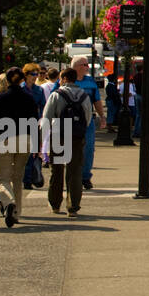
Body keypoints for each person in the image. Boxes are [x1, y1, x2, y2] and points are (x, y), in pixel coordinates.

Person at [0, 67, 40, 227]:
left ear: (7, 80)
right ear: (23, 79)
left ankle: (8, 203)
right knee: (18, 177)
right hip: (25, 140)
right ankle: (17, 212)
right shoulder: (29, 98)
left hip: (2, 140)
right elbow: (34, 122)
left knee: (2, 178)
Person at [42, 67, 92, 217]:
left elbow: (47, 117)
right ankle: (73, 206)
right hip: (77, 137)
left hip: (59, 135)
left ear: (63, 79)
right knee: (75, 171)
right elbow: (88, 118)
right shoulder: (84, 96)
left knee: (56, 170)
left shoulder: (57, 95)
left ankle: (55, 204)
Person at [69, 56, 106, 190]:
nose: (87, 67)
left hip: (87, 120)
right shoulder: (66, 79)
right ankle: (71, 176)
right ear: (77, 66)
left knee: (88, 149)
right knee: (70, 149)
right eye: (85, 65)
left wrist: (102, 116)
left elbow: (97, 100)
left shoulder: (90, 81)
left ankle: (85, 177)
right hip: (69, 121)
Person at [21, 64, 47, 189]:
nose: (35, 76)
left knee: (33, 153)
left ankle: (28, 179)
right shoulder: (19, 89)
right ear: (26, 75)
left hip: (34, 124)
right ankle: (23, 177)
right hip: (19, 124)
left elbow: (43, 107)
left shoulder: (39, 90)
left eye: (37, 74)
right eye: (33, 74)